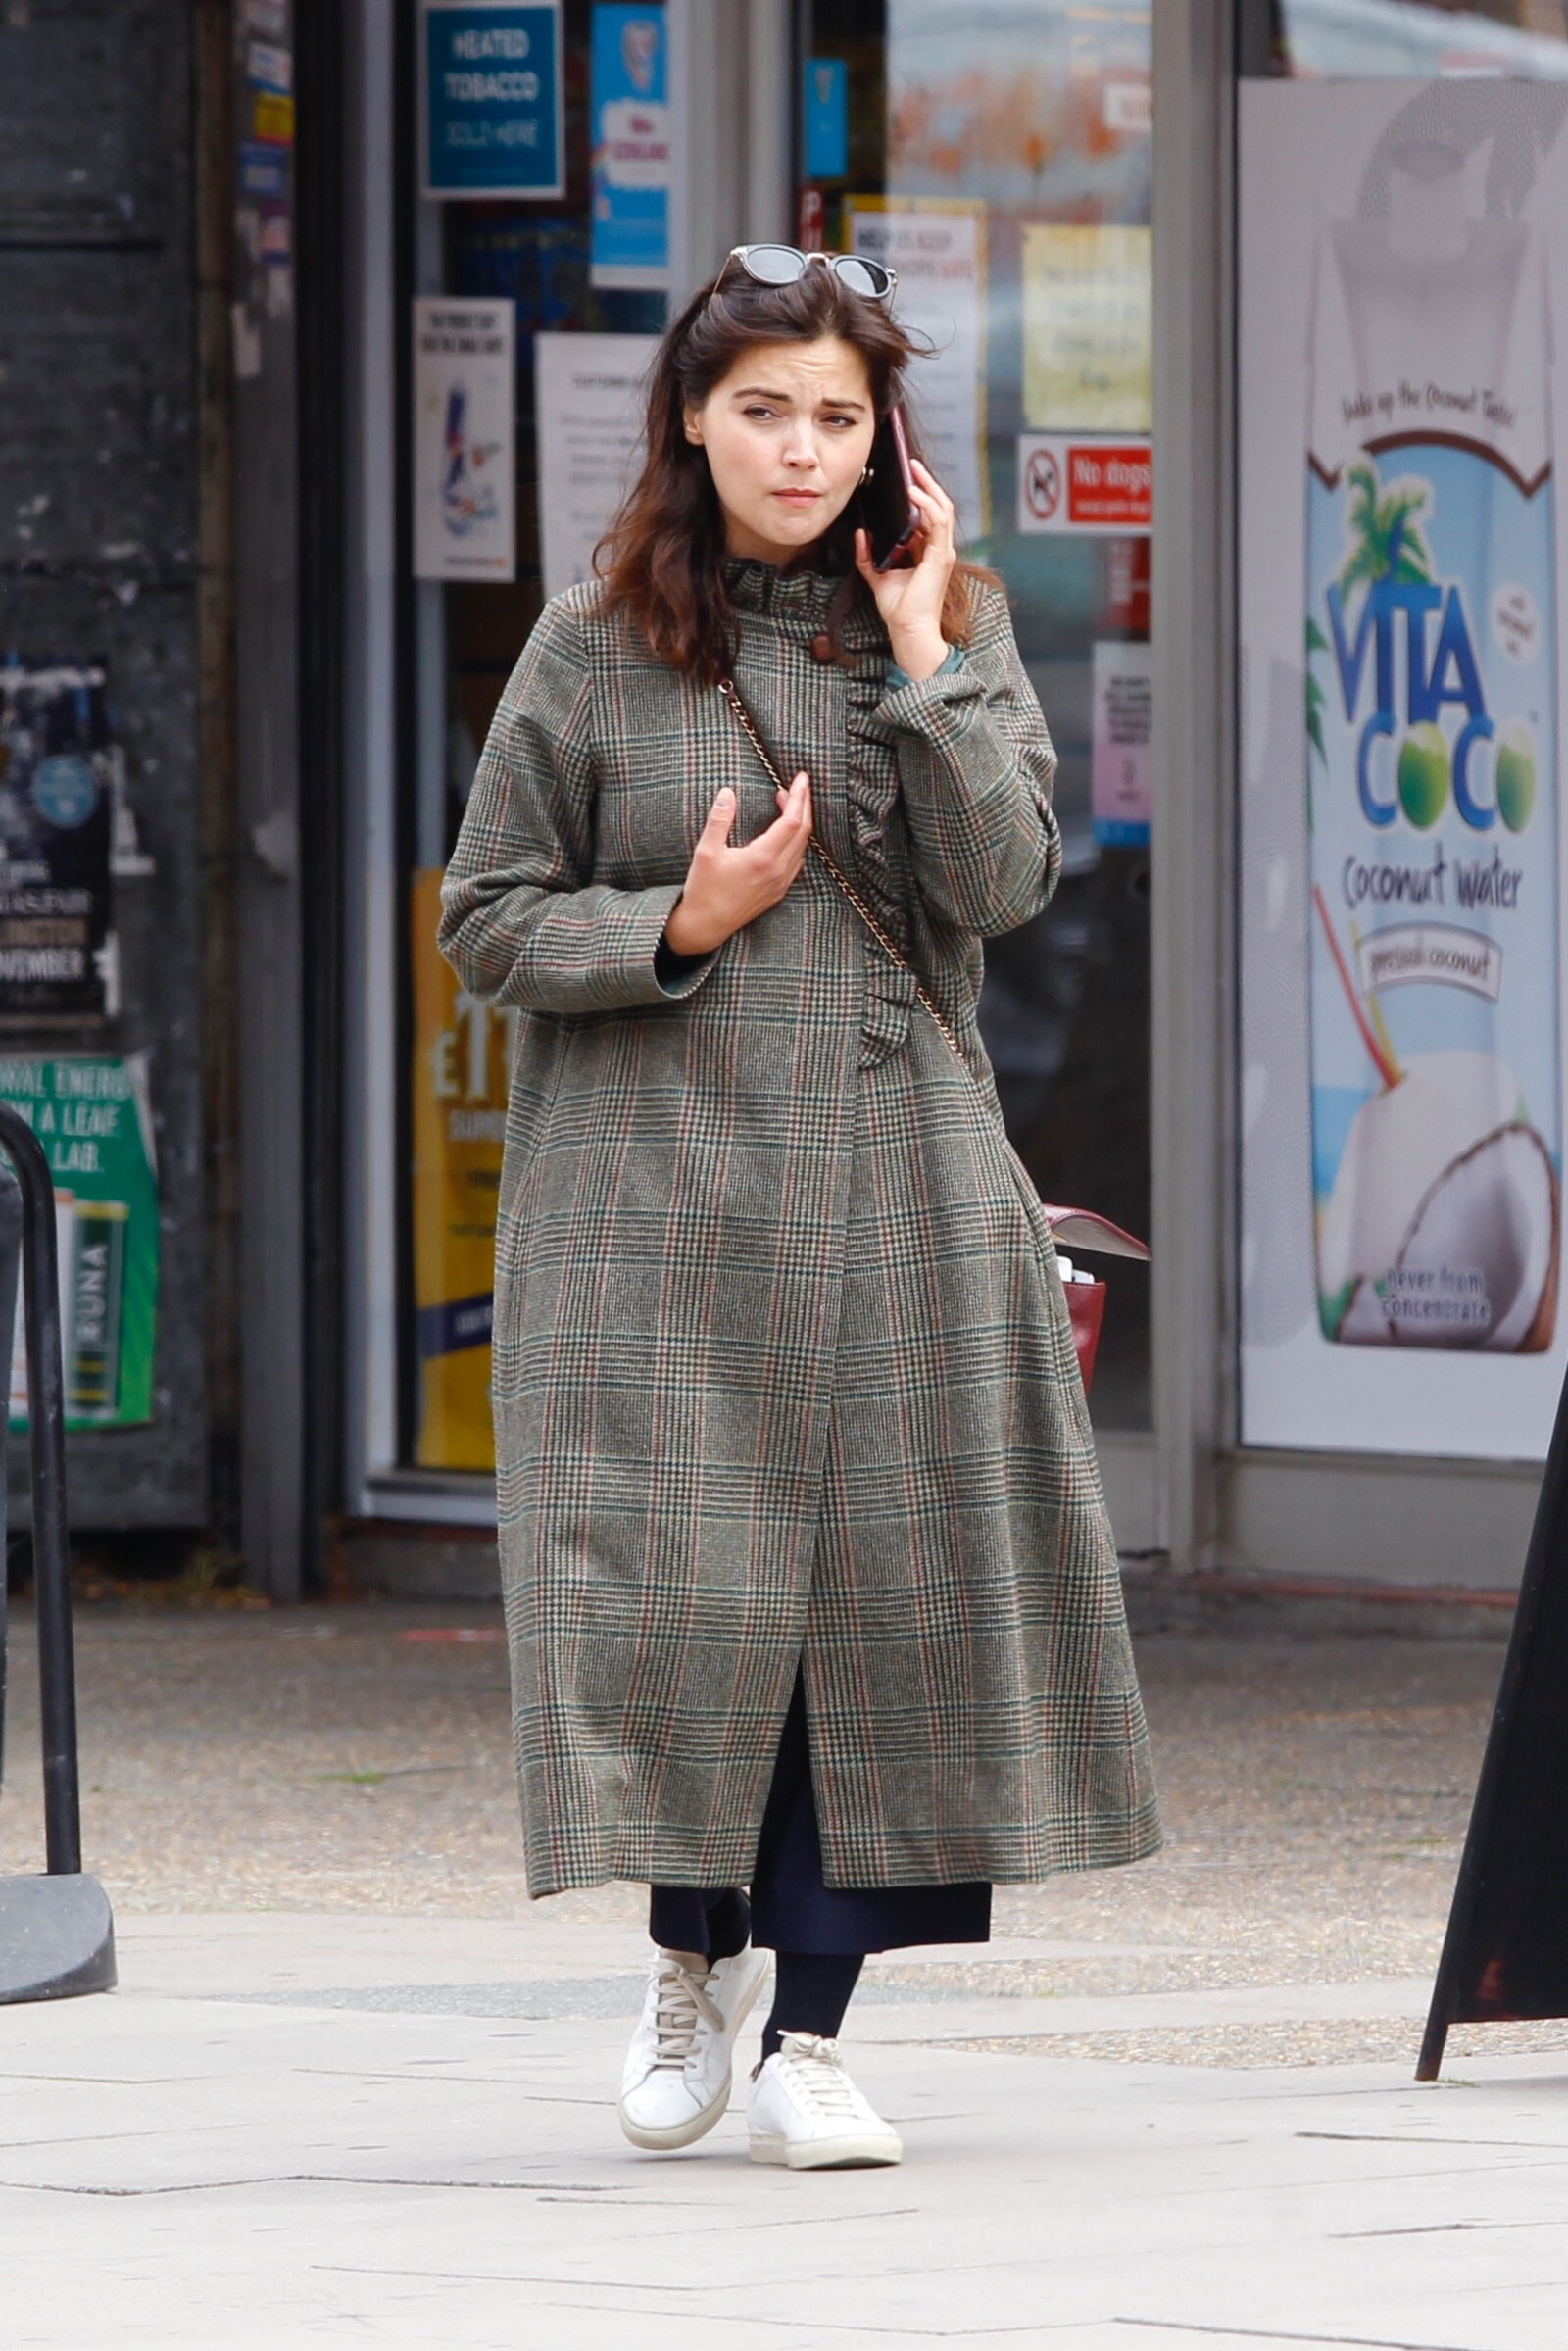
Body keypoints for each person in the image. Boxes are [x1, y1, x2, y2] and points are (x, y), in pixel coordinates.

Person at [439, 245, 1160, 2172]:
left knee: (886, 1621)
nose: (799, 448)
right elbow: (484, 919)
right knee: (691, 1598)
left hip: (897, 1188)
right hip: (656, 1202)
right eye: (763, 409)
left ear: (883, 442)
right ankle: (689, 1956)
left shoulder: (954, 624)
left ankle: (815, 2033)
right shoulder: (592, 645)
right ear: (693, 419)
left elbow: (1006, 881)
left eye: (837, 416)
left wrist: (923, 657)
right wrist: (679, 919)